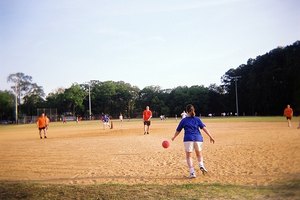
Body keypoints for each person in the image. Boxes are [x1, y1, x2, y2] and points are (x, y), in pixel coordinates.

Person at [172, 104, 215, 178]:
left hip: (188, 139)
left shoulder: (184, 120)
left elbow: (178, 130)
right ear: (193, 110)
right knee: (199, 154)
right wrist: (210, 136)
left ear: (186, 111)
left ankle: (192, 173)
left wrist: (174, 137)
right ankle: (201, 165)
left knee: (189, 156)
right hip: (198, 138)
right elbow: (204, 128)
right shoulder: (197, 119)